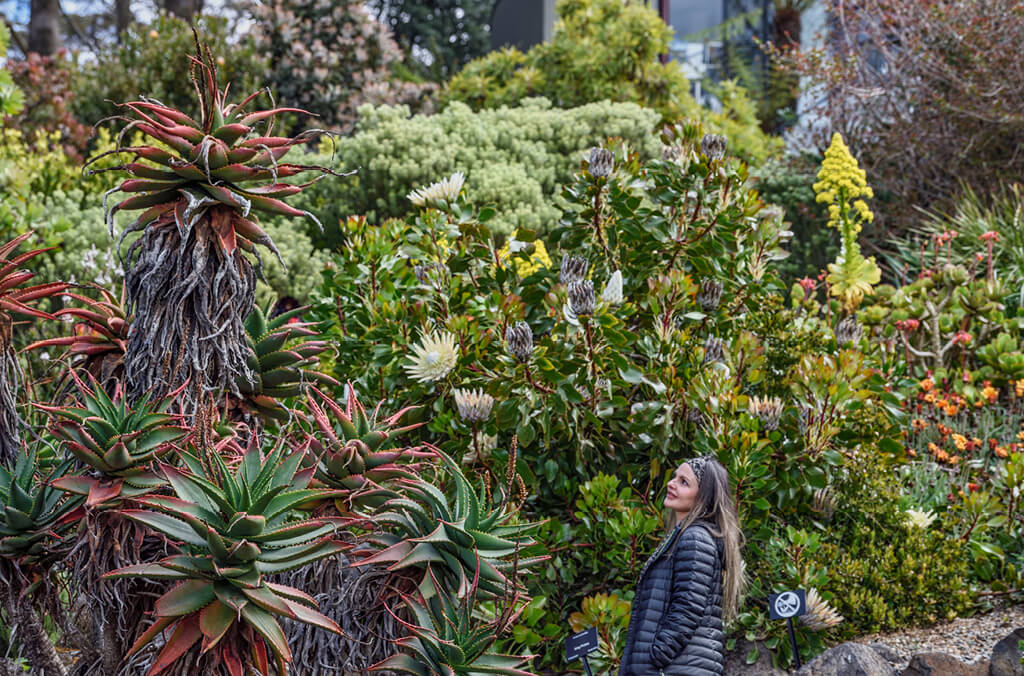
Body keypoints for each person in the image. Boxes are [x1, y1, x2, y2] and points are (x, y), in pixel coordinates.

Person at [619, 455, 745, 676]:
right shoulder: (682, 537)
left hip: (674, 668)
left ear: (702, 498)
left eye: (683, 482)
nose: (671, 483)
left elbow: (688, 608)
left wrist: (656, 657)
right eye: (674, 477)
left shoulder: (695, 538)